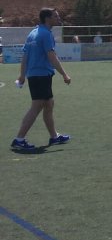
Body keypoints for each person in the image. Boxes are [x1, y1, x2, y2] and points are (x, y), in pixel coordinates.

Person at [11, 8, 73, 152]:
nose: (58, 18)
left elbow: (25, 56)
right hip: (41, 75)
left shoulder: (33, 33)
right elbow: (52, 56)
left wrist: (22, 75)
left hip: (36, 75)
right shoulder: (45, 34)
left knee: (49, 104)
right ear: (47, 18)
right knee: (37, 106)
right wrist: (64, 74)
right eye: (55, 16)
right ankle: (19, 139)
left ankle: (54, 136)